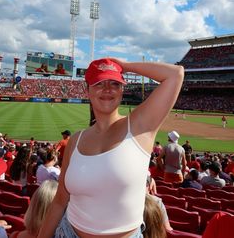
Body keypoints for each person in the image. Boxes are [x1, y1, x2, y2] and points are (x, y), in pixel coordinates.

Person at [37, 57, 184, 238]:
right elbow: (60, 201)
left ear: (122, 90)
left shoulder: (139, 127)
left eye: (114, 83)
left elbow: (175, 74)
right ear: (88, 90)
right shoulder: (76, 140)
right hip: (68, 233)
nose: (107, 89)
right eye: (99, 83)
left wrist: (124, 65)